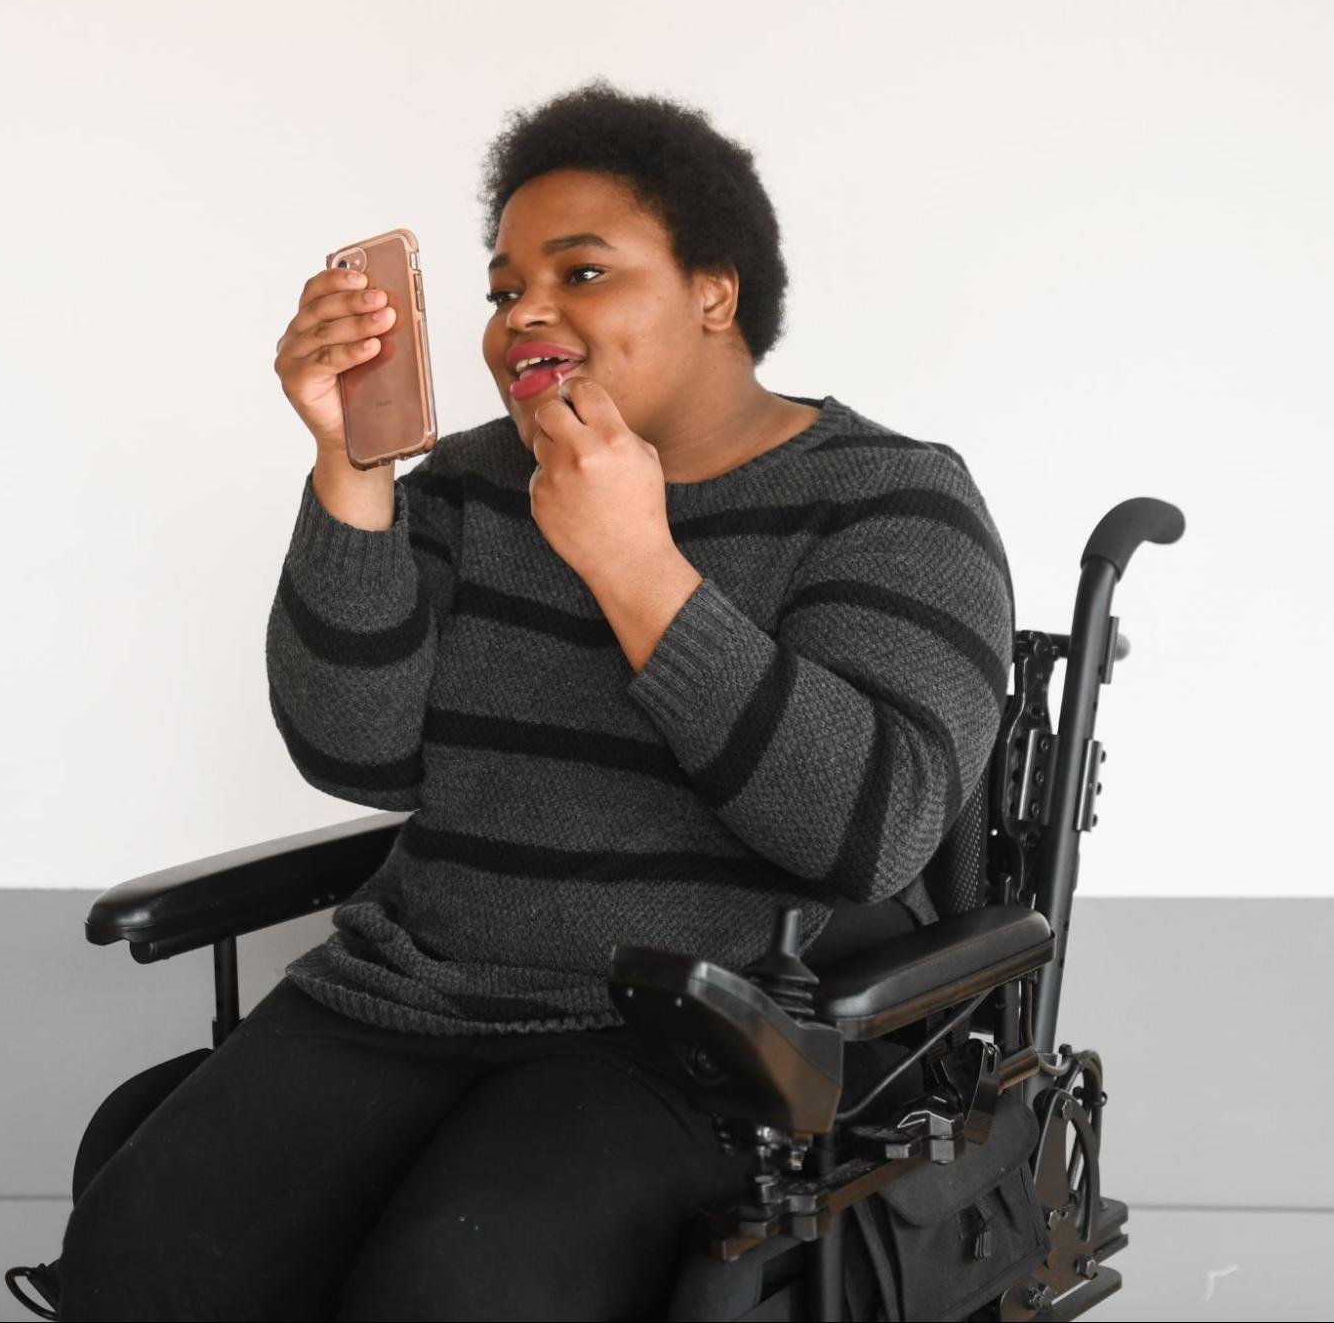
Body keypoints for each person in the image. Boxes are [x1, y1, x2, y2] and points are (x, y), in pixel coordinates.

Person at [53, 77, 1015, 1321]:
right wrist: (350, 471)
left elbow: (866, 832)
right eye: (506, 288)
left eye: (582, 273)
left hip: (690, 1039)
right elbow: (357, 750)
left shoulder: (890, 503)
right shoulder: (470, 484)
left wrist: (637, 565)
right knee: (142, 1264)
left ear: (713, 292)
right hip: (410, 991)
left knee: (454, 1287)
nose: (524, 316)